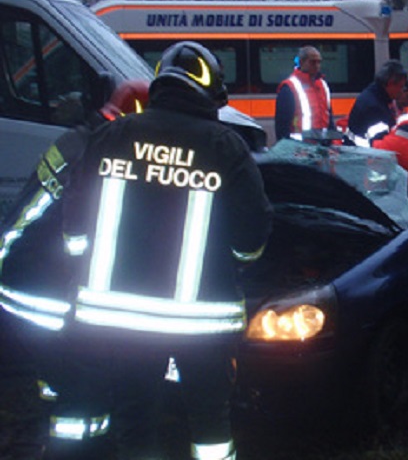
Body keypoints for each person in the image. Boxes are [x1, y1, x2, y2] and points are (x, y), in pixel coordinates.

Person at [53, 41, 273, 460]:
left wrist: (81, 263)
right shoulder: (225, 146)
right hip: (203, 324)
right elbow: (251, 236)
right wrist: (238, 262)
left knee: (136, 419)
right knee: (210, 424)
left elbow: (75, 222)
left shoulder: (112, 136)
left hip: (120, 318)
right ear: (211, 92)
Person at [0, 79, 150, 458]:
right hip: (51, 299)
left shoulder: (74, 142)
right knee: (83, 402)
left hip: (25, 287)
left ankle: (45, 429)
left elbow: (25, 213)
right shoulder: (109, 156)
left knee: (54, 384)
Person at [274, 45, 334, 141]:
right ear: (302, 62)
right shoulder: (289, 87)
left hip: (322, 144)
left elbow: (329, 117)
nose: (317, 66)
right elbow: (282, 126)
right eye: (313, 62)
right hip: (299, 146)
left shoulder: (323, 85)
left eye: (319, 62)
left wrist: (332, 140)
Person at [347, 60, 408, 146]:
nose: (401, 91)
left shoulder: (372, 94)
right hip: (364, 152)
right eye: (401, 87)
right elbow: (380, 144)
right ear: (390, 83)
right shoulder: (375, 108)